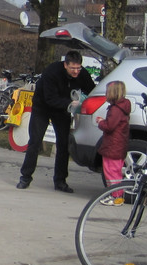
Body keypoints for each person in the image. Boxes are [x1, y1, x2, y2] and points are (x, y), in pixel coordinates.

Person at [16, 49, 95, 192]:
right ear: (65, 65)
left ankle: (60, 181)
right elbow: (50, 99)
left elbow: (92, 90)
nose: (76, 71)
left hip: (62, 110)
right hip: (42, 107)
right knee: (35, 142)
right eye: (73, 68)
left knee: (63, 144)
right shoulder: (52, 72)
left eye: (78, 68)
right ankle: (25, 177)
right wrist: (69, 103)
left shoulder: (82, 74)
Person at [95, 80, 131, 205]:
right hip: (118, 145)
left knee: (111, 172)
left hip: (113, 146)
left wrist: (101, 122)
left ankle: (116, 196)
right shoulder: (122, 108)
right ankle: (115, 195)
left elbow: (109, 126)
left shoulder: (115, 109)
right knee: (115, 171)